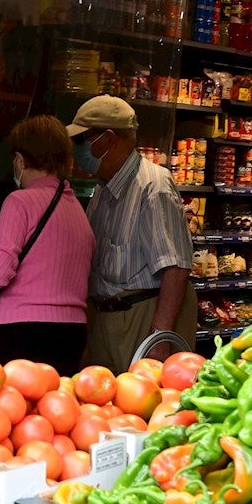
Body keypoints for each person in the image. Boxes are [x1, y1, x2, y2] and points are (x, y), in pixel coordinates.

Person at [67, 95, 196, 373]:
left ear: (108, 139)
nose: (76, 149)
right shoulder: (103, 188)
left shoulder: (153, 186)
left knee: (142, 397)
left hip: (142, 316)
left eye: (81, 140)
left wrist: (159, 337)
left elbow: (176, 268)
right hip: (107, 318)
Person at [0, 115, 95, 374]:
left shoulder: (19, 202)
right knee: (56, 400)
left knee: (13, 400)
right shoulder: (76, 208)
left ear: (20, 160)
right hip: (72, 333)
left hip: (20, 331)